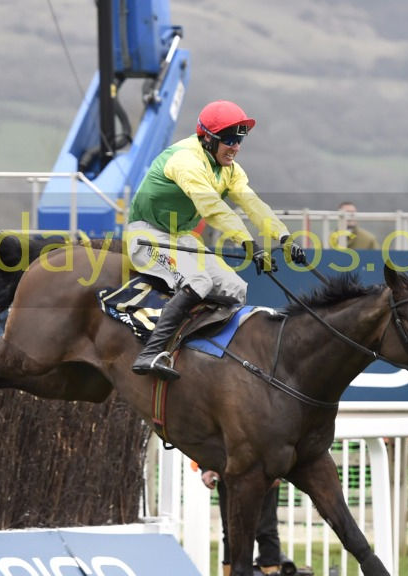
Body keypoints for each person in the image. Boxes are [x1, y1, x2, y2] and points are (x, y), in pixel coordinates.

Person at [126, 100, 306, 380]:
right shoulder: (186, 161)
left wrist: (284, 238)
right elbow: (212, 207)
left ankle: (201, 355)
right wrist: (249, 244)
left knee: (236, 288)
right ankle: (150, 353)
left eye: (240, 140)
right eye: (230, 140)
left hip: (181, 236)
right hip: (147, 235)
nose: (235, 147)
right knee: (199, 281)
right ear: (208, 138)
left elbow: (253, 205)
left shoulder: (230, 169)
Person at [201, 468, 284, 576]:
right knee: (230, 532)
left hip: (264, 468)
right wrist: (207, 467)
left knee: (266, 531)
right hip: (227, 471)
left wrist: (277, 472)